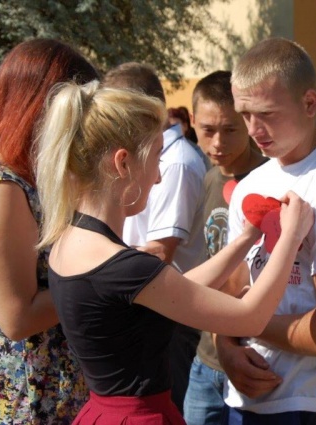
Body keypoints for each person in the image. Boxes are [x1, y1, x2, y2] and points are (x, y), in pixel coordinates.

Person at [34, 80, 314, 424]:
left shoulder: (69, 240)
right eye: (157, 157)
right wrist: (291, 236)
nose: (157, 177)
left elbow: (175, 289)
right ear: (123, 163)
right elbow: (249, 317)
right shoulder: (124, 267)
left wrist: (247, 238)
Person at [216, 37, 316, 425]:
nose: (254, 129)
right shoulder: (250, 186)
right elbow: (232, 289)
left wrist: (245, 321)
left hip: (311, 403)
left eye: (267, 114)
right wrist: (226, 348)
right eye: (245, 114)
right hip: (245, 399)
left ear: (309, 104)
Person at [0, 38, 99, 424]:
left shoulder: (32, 178)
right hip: (31, 400)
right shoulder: (5, 188)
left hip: (57, 390)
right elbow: (17, 318)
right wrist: (103, 275)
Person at [103, 62, 209, 414]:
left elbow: (161, 252)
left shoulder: (176, 163)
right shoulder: (142, 154)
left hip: (171, 318)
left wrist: (96, 267)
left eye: (116, 110)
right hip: (145, 305)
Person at [183, 70, 267, 425]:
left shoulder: (270, 181)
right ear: (192, 122)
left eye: (230, 129)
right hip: (206, 359)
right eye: (207, 130)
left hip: (254, 359)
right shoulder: (208, 179)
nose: (218, 143)